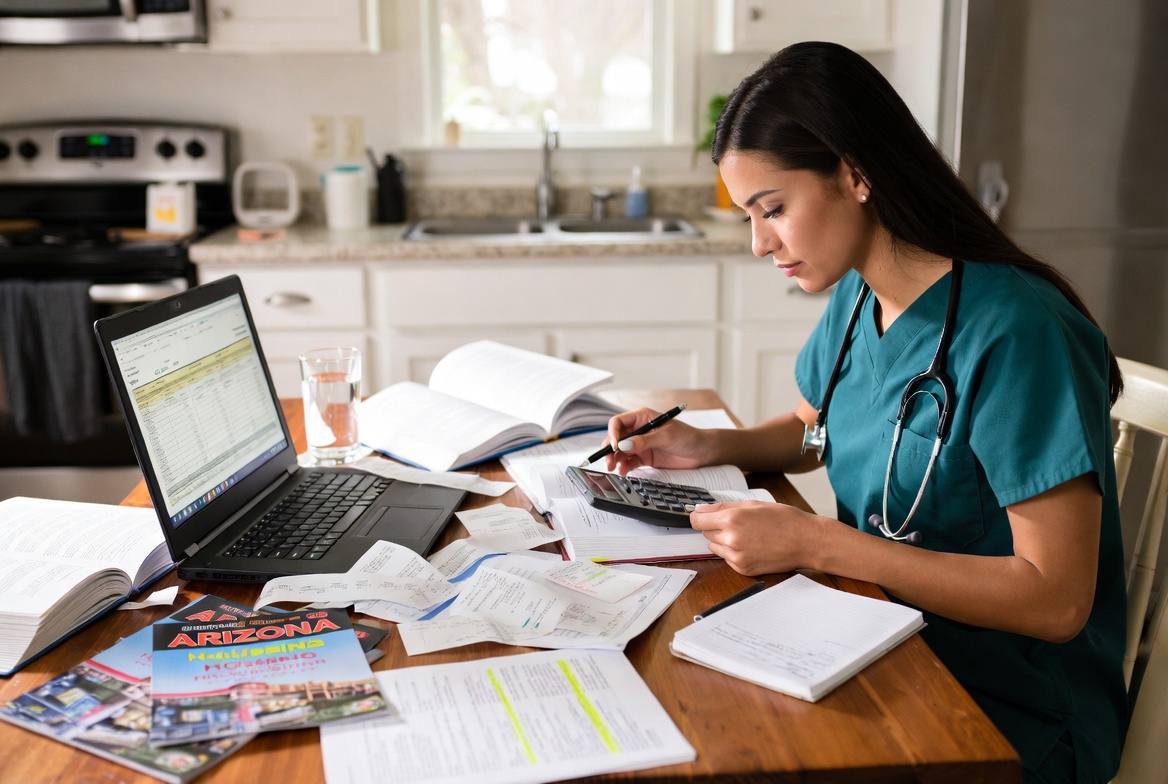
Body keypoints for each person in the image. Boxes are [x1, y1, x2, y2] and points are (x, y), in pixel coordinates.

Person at [603, 42, 1128, 784]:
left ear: (854, 174)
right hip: (877, 639)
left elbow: (1056, 600)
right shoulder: (859, 296)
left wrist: (819, 545)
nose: (759, 244)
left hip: (1007, 709)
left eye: (773, 209)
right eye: (750, 217)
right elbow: (814, 431)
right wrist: (706, 444)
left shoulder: (1018, 333)